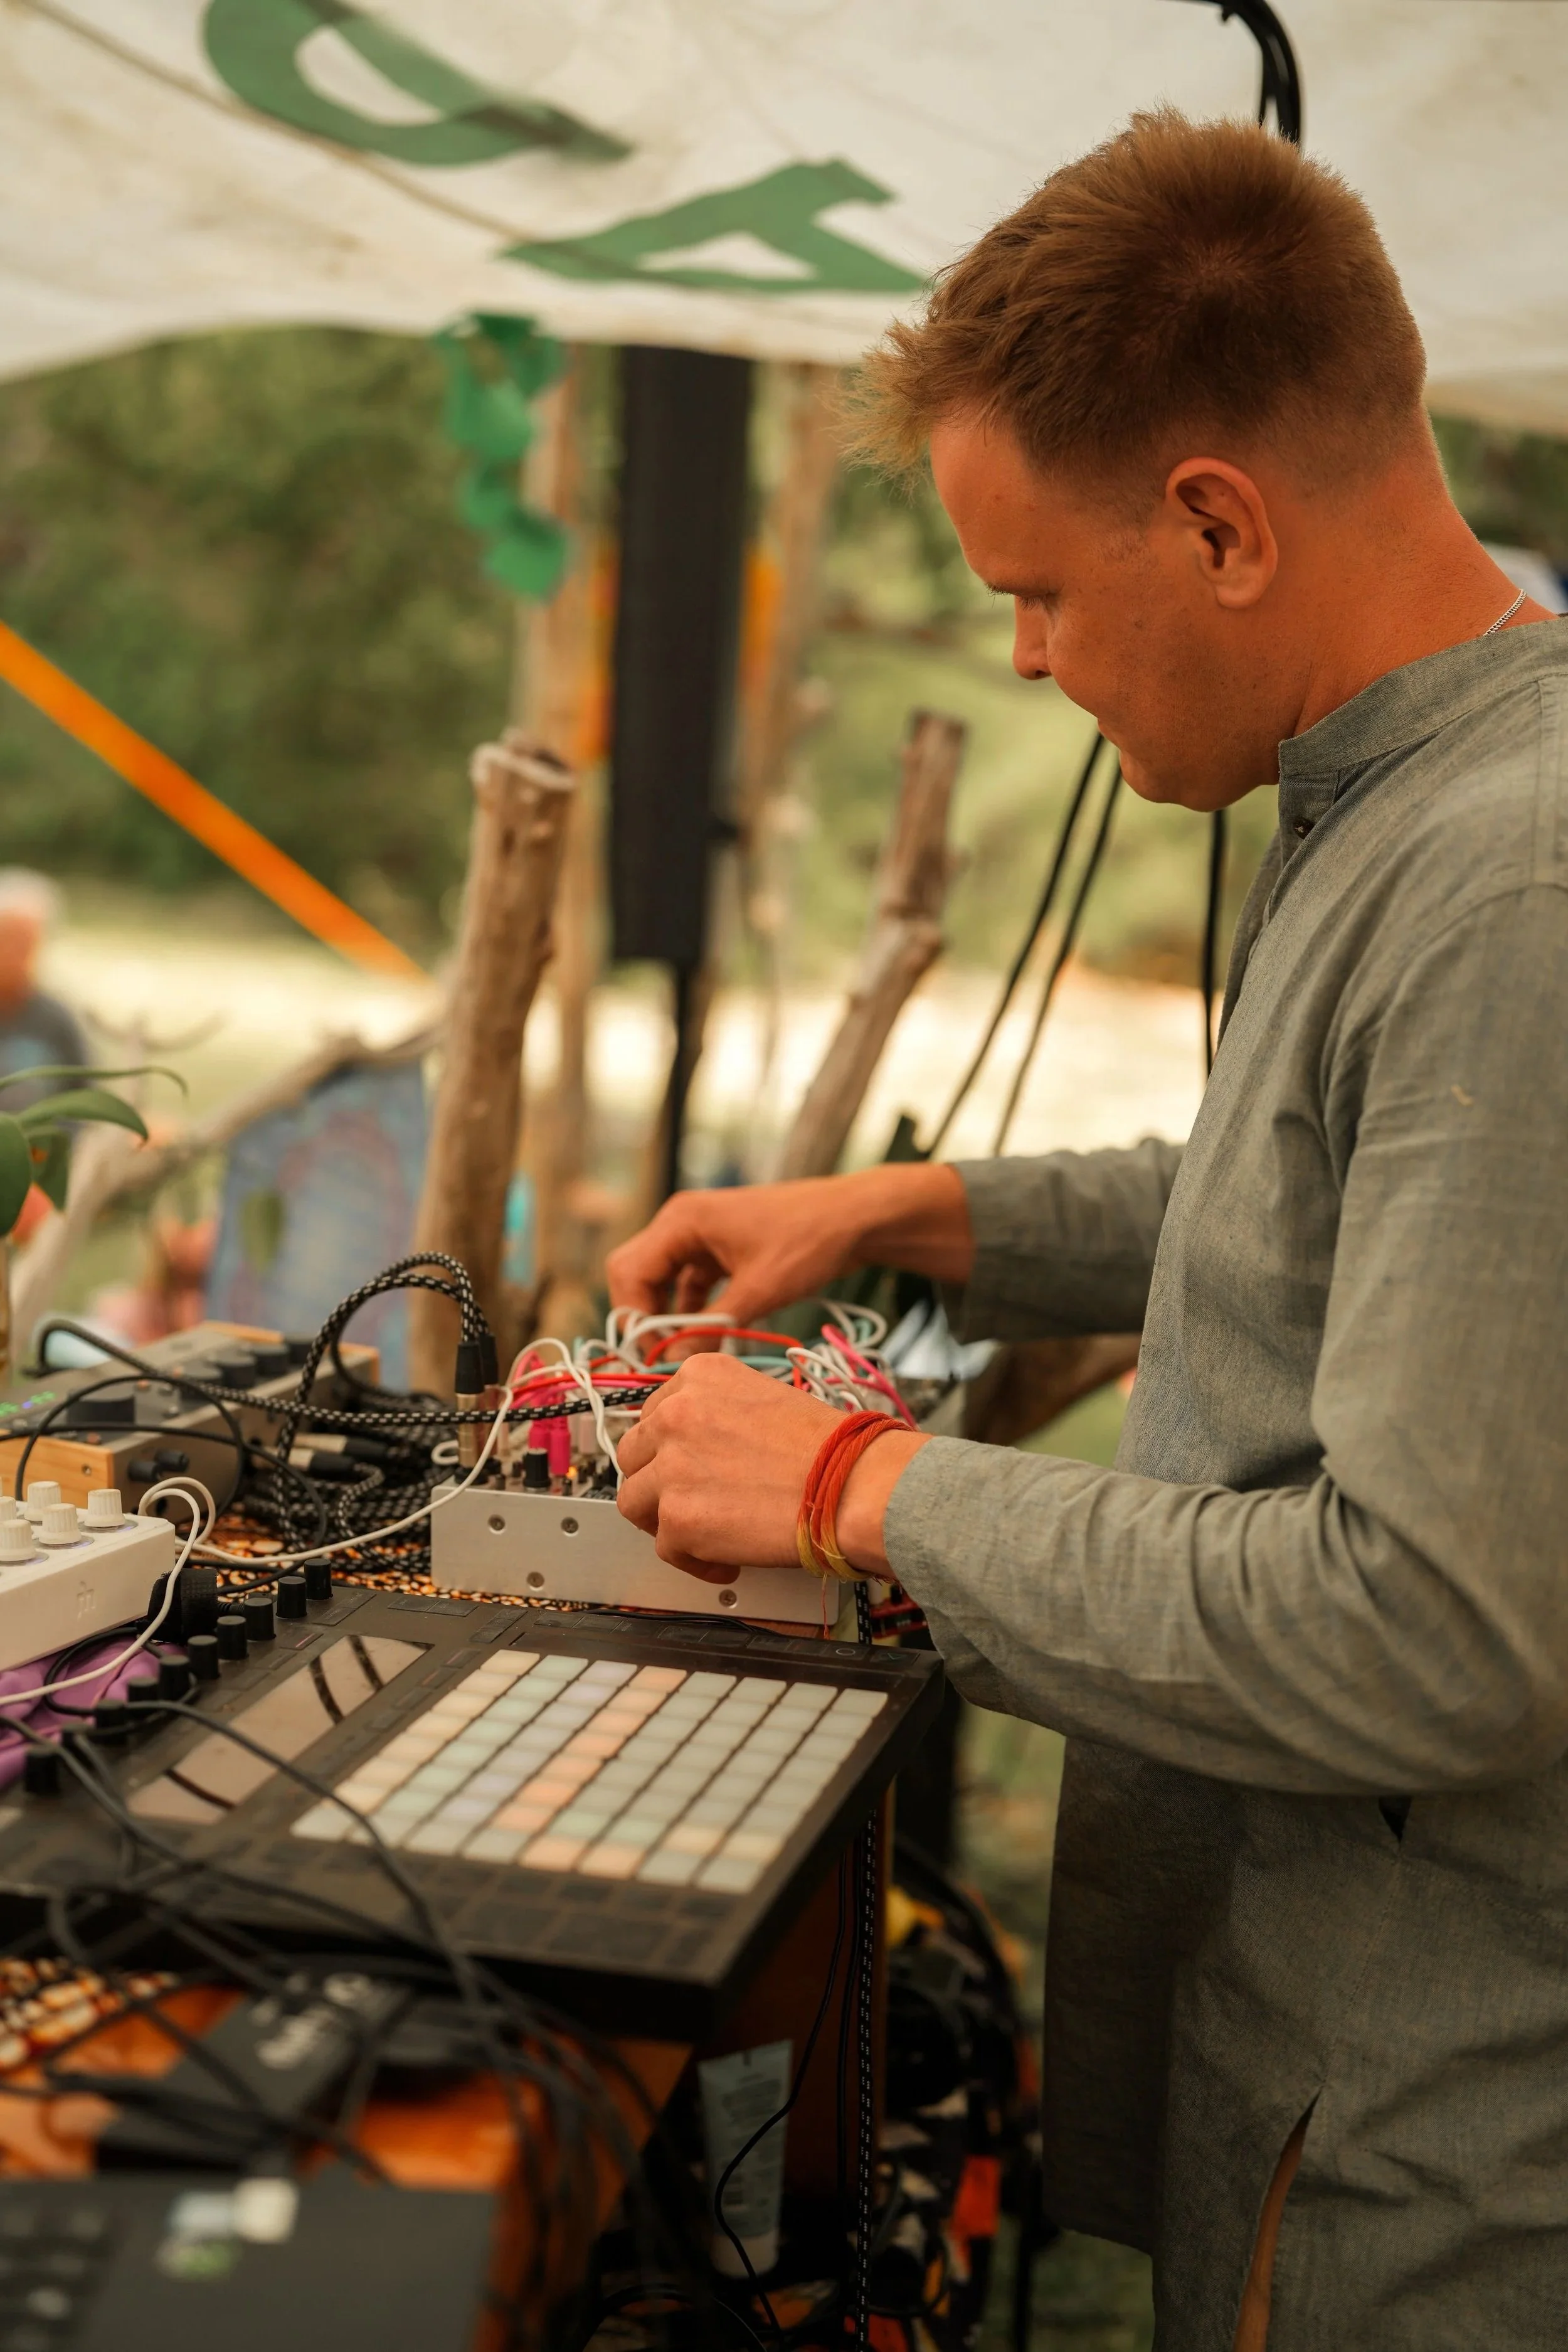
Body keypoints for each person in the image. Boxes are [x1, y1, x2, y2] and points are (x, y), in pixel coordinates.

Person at [604, 113, 1567, 2352]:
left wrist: (855, 1488)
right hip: (1327, 2052)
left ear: (1216, 522)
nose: (1028, 657)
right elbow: (1305, 1197)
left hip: (1435, 2153)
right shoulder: (1402, 801)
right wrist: (910, 1209)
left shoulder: (1507, 887)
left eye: (1033, 589)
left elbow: (1431, 1625)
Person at [0, 869, 90, 1103]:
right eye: (8, 939)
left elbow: (84, 1099)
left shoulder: (56, 1022)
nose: (15, 955)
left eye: (26, 944)